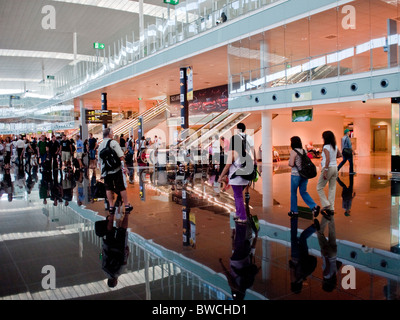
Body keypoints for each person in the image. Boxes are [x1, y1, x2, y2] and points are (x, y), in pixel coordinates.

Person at [218, 123, 256, 223]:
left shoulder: (232, 152)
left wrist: (221, 176)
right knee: (237, 195)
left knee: (238, 196)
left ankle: (242, 217)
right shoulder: (245, 152)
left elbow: (227, 166)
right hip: (244, 177)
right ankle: (238, 213)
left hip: (236, 178)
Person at [98, 127, 133, 216]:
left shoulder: (101, 145)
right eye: (112, 133)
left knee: (108, 188)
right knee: (121, 187)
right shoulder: (113, 143)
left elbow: (100, 161)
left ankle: (111, 206)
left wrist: (102, 173)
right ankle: (126, 205)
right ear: (109, 134)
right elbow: (121, 156)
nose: (113, 134)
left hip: (106, 171)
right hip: (116, 170)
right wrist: (125, 167)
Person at [96, 210, 130, 288]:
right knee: (109, 231)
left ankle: (127, 213)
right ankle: (111, 214)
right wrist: (101, 251)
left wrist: (127, 252)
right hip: (108, 246)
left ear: (115, 282)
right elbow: (101, 256)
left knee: (123, 230)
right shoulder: (104, 270)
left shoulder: (118, 272)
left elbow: (124, 262)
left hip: (119, 248)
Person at [288, 136, 320, 218]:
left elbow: (291, 164)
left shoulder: (293, 152)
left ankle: (294, 211)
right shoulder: (304, 151)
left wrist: (292, 163)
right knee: (303, 192)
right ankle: (314, 206)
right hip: (304, 175)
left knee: (293, 193)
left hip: (295, 175)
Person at [289, 214, 319, 294]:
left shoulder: (303, 277)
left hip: (304, 255)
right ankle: (294, 219)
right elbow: (291, 268)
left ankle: (314, 227)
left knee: (303, 238)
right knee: (293, 236)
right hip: (295, 256)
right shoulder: (293, 280)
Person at [317, 131, 341, 219]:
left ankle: (326, 204)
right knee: (332, 188)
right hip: (335, 168)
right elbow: (339, 155)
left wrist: (326, 170)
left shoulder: (326, 147)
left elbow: (327, 160)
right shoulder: (335, 146)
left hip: (329, 168)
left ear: (325, 138)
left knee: (319, 187)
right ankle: (331, 207)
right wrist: (334, 157)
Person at [316, 215, 342, 292]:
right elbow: (327, 264)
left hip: (334, 254)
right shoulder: (326, 275)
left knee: (332, 233)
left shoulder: (334, 274)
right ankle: (325, 218)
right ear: (325, 283)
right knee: (319, 234)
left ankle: (331, 216)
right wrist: (325, 254)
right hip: (328, 254)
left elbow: (339, 263)